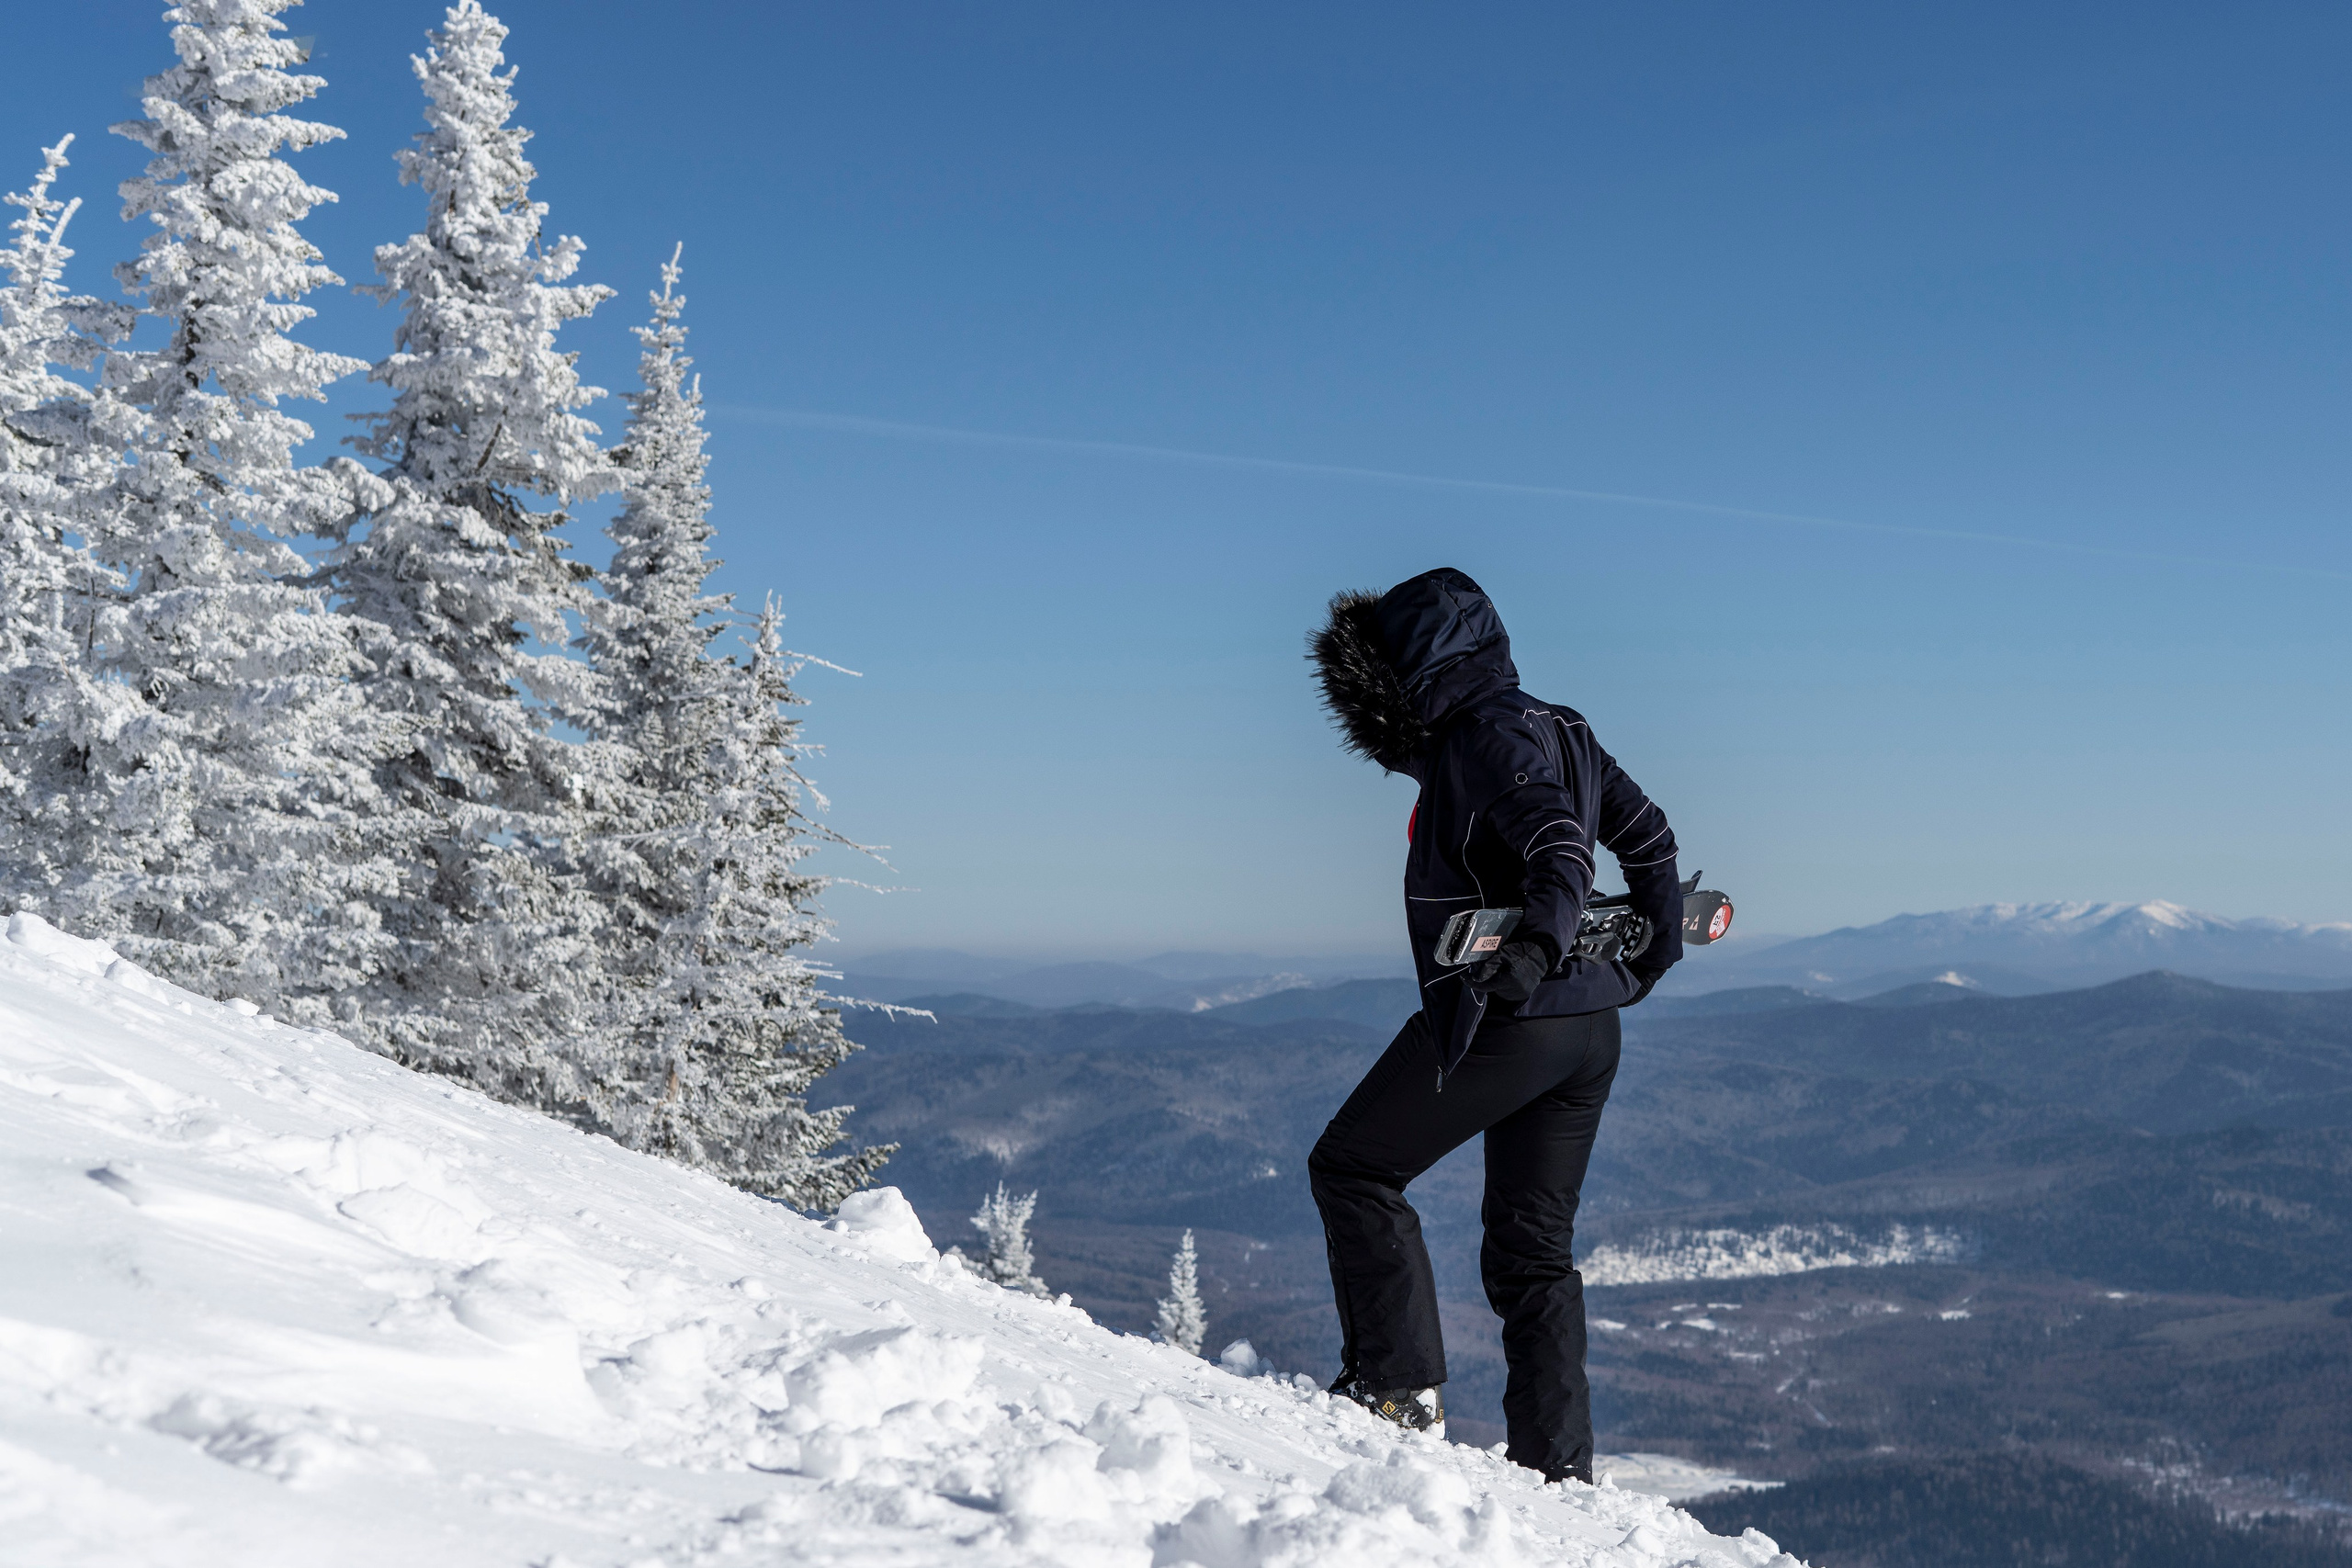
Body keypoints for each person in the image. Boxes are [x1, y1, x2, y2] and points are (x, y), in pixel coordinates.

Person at [1304, 567, 1682, 1486]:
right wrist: (1655, 945)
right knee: (1533, 1254)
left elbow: (1556, 842)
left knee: (1353, 1166)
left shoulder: (1480, 738)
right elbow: (1647, 832)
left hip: (1510, 1016)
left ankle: (1396, 1387)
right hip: (1592, 1027)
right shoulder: (1563, 724)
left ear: (1407, 671)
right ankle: (1557, 1471)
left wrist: (1536, 948)